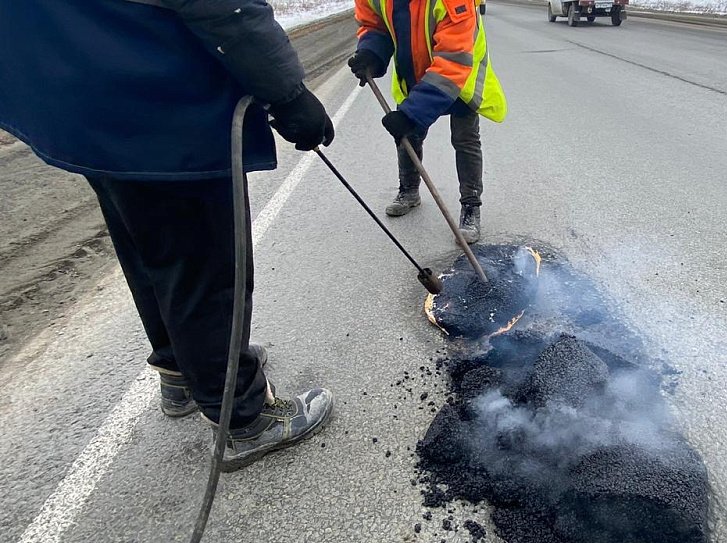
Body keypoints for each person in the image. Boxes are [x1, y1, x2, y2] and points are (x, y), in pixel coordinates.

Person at [0, 0, 335, 472]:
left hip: (82, 94)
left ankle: (182, 367)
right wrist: (287, 94)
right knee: (203, 261)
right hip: (158, 102)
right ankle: (242, 415)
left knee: (149, 246)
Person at [349, 0, 507, 244]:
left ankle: (471, 207)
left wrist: (412, 114)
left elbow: (454, 61)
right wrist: (371, 53)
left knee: (465, 139)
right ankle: (409, 191)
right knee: (408, 136)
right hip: (415, 70)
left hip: (459, 74)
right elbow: (375, 24)